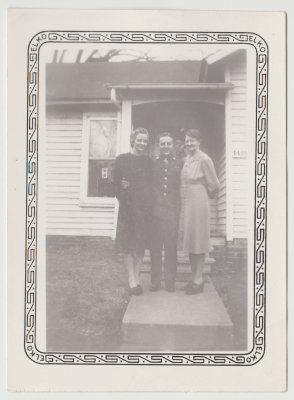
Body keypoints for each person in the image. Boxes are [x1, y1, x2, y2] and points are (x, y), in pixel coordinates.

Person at [113, 128, 153, 296]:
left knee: (140, 246)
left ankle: (137, 276)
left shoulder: (149, 162)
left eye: (145, 140)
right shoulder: (122, 160)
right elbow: (116, 186)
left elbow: (150, 187)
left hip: (144, 210)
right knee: (129, 246)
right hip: (128, 209)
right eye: (139, 140)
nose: (142, 143)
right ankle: (131, 280)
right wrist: (125, 194)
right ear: (133, 140)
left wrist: (133, 187)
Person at [180, 128, 220, 295]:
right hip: (186, 202)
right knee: (190, 241)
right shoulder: (188, 158)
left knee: (199, 240)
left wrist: (203, 194)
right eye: (187, 140)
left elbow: (215, 185)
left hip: (198, 201)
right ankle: (194, 278)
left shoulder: (204, 159)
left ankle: (199, 280)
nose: (189, 143)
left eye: (192, 140)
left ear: (199, 141)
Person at [150, 133, 181, 292]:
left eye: (168, 144)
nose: (166, 147)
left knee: (170, 249)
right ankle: (155, 282)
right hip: (155, 212)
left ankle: (170, 282)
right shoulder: (153, 163)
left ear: (173, 145)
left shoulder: (179, 164)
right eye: (163, 144)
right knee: (155, 248)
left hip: (172, 213)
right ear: (159, 145)